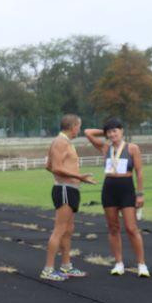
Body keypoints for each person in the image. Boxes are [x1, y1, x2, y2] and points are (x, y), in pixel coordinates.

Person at [84, 118, 149, 277]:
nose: (112, 134)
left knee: (131, 228)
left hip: (126, 188)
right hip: (109, 188)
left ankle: (141, 264)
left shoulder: (132, 148)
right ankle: (119, 263)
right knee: (113, 228)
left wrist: (140, 194)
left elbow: (139, 172)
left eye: (115, 131)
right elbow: (87, 132)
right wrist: (104, 130)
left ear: (122, 131)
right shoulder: (106, 148)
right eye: (109, 132)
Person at [40, 114, 95, 280]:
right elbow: (55, 167)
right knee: (59, 230)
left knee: (68, 230)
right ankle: (48, 270)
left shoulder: (64, 142)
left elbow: (48, 166)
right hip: (64, 189)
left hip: (70, 188)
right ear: (73, 127)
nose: (79, 129)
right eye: (79, 126)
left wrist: (74, 178)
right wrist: (79, 177)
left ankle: (66, 266)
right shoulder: (60, 142)